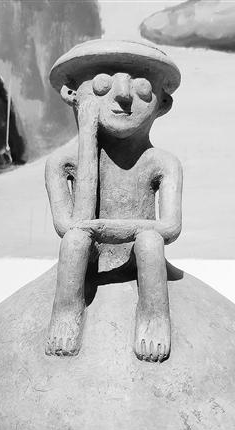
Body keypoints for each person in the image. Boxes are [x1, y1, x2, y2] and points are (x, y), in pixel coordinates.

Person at [44, 40, 182, 363]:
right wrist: (87, 136)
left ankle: (154, 318)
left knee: (150, 243)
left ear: (163, 103)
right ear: (72, 94)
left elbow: (170, 227)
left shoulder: (162, 163)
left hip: (141, 254)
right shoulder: (62, 163)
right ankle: (67, 312)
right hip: (87, 255)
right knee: (75, 243)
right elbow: (70, 226)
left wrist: (106, 228)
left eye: (142, 87)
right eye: (102, 84)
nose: (122, 95)